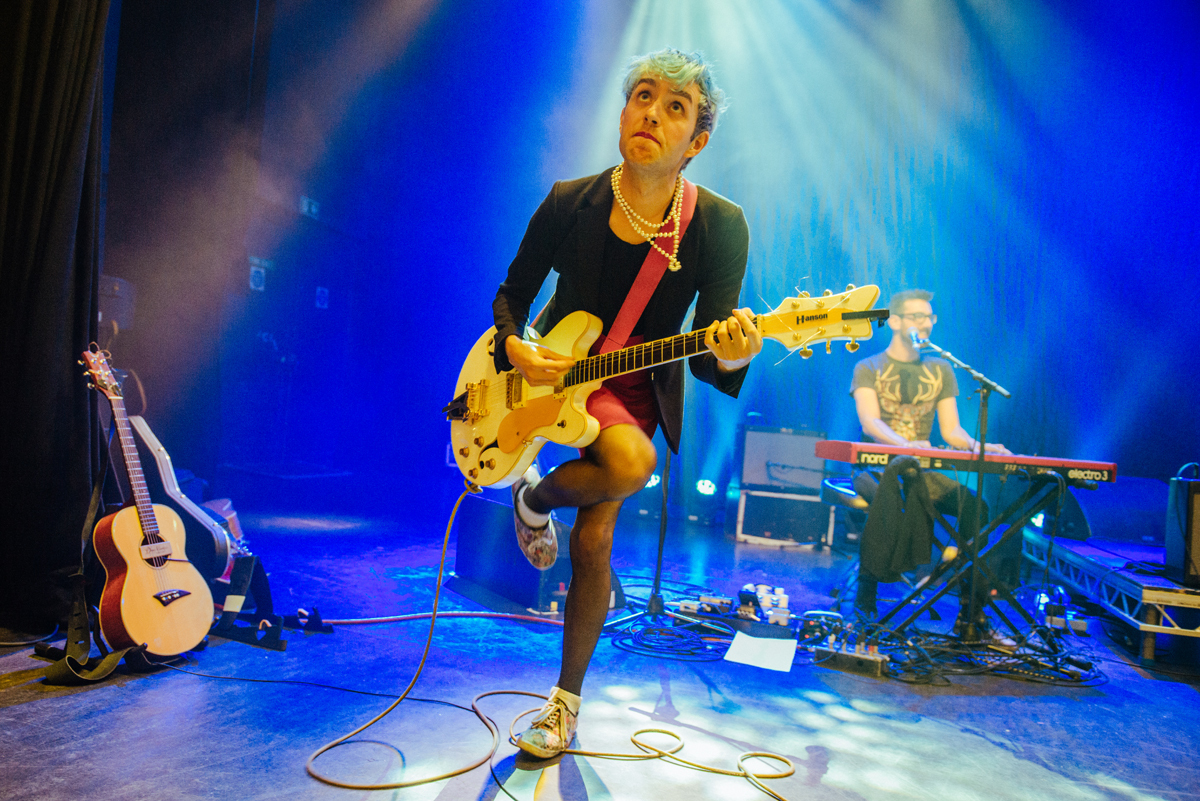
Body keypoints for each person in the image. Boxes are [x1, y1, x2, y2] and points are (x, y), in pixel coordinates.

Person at [490, 49, 761, 758]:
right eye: (643, 95)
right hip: (556, 366)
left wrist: (733, 351)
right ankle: (535, 499)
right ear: (622, 111)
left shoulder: (721, 224)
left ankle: (562, 701)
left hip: (636, 383)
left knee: (602, 526)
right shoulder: (567, 200)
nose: (652, 112)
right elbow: (512, 296)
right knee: (606, 508)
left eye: (676, 106)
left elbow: (710, 343)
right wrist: (514, 344)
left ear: (696, 142)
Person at [850, 289, 1011, 635]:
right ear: (894, 322)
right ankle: (865, 601)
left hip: (921, 471)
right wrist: (907, 444)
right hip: (877, 467)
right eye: (916, 316)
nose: (925, 323)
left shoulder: (941, 369)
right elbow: (870, 422)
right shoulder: (868, 367)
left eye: (929, 317)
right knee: (887, 501)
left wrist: (979, 445)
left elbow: (952, 430)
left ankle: (972, 611)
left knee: (977, 507)